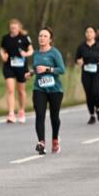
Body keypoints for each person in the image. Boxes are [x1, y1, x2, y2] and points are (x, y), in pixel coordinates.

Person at [27, 27, 66, 155]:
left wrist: (47, 69)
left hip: (55, 89)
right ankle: (41, 143)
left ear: (50, 39)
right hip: (39, 88)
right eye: (40, 36)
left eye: (45, 36)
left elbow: (61, 70)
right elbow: (37, 68)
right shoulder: (36, 53)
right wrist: (31, 73)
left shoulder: (55, 53)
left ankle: (55, 139)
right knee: (39, 115)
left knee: (54, 117)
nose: (42, 38)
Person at [0, 19, 33, 123]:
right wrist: (3, 55)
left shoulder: (24, 38)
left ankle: (21, 110)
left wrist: (26, 54)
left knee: (21, 91)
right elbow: (2, 49)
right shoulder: (5, 38)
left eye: (15, 27)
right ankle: (11, 113)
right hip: (9, 66)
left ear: (19, 27)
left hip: (21, 67)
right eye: (11, 27)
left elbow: (31, 50)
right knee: (10, 90)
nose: (13, 29)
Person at [75, 26, 99, 124]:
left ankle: (98, 108)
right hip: (86, 73)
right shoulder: (81, 46)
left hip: (97, 71)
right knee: (89, 95)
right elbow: (77, 58)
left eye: (91, 32)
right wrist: (78, 61)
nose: (89, 33)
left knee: (96, 92)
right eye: (87, 32)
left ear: (94, 34)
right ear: (85, 34)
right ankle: (92, 115)